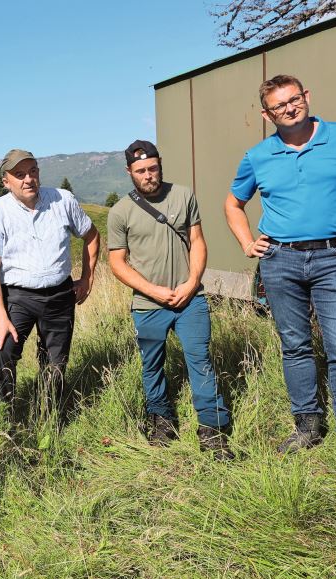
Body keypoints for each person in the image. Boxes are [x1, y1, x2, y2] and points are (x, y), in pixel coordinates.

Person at [224, 75, 336, 476]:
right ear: (267, 115)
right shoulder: (257, 156)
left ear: (307, 97)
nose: (289, 108)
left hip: (335, 258)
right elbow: (233, 204)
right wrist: (248, 243)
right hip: (280, 261)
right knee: (295, 346)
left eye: (294, 99)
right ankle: (308, 426)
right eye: (279, 106)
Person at [108, 140, 233, 458]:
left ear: (159, 164)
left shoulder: (184, 195)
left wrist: (192, 283)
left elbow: (198, 241)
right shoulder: (120, 212)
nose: (148, 175)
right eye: (140, 171)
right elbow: (117, 263)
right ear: (129, 172)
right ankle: (162, 422)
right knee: (152, 366)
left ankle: (212, 430)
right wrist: (154, 291)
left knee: (200, 361)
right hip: (149, 305)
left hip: (191, 300)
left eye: (152, 168)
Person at [0, 149, 99, 416]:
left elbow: (91, 235)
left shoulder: (62, 200)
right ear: (6, 182)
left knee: (55, 362)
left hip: (60, 296)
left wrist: (87, 279)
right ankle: (0, 423)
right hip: (16, 298)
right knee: (2, 351)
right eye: (19, 175)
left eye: (33, 171)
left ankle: (49, 417)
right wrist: (0, 316)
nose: (28, 179)